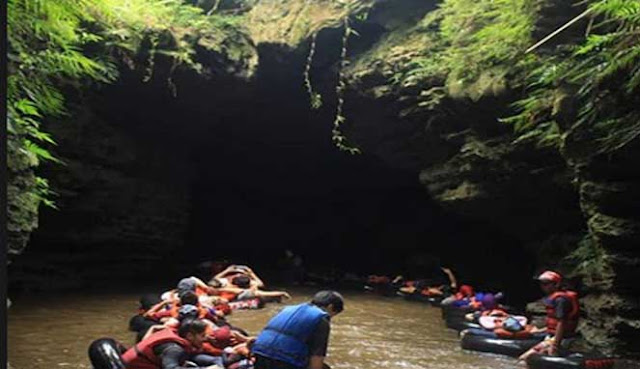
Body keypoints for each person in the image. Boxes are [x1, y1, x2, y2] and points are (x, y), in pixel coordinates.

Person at [251, 290, 344, 369]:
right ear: (330, 307)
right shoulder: (321, 319)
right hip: (284, 361)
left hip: (259, 354)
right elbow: (317, 358)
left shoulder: (288, 309)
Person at [519, 270, 580, 360]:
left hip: (561, 338)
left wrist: (555, 345)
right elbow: (554, 322)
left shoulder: (560, 300)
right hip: (552, 336)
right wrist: (541, 330)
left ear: (556, 284)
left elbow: (561, 323)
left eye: (546, 284)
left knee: (525, 358)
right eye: (542, 284)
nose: (543, 287)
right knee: (526, 359)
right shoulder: (555, 298)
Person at [121, 318, 221, 369]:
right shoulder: (174, 349)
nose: (205, 339)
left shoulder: (174, 334)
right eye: (202, 336)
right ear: (190, 336)